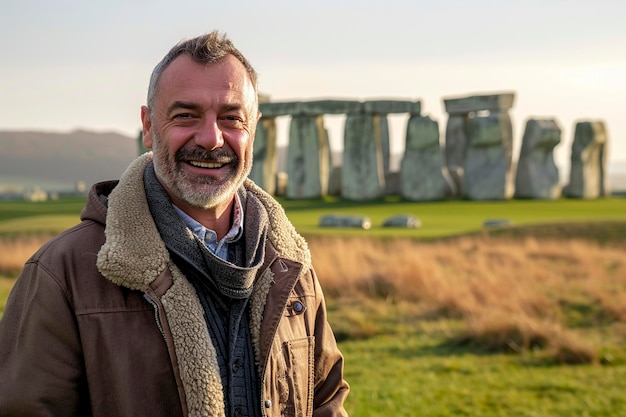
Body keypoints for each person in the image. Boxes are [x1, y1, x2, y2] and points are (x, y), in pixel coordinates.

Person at [0, 31, 350, 417]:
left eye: (232, 118)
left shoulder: (290, 262)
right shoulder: (61, 273)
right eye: (186, 115)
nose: (212, 138)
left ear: (254, 129)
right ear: (148, 126)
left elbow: (326, 401)